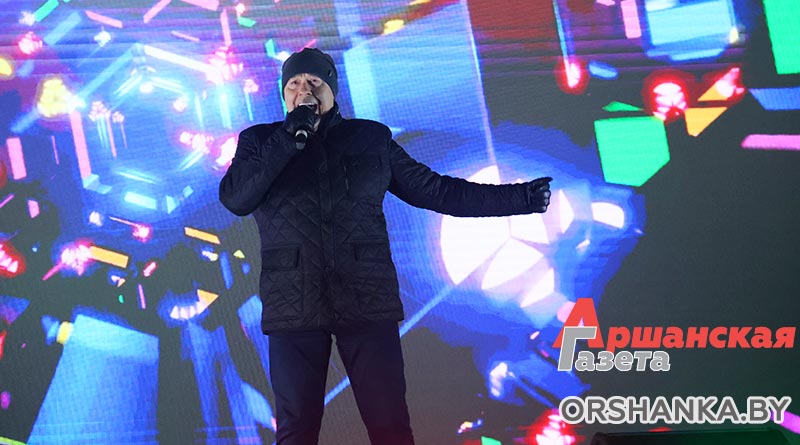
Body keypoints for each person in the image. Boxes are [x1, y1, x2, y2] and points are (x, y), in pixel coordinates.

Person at [218, 47, 552, 445]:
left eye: (314, 82)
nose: (303, 90)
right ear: (283, 93)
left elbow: (438, 191)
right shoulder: (259, 141)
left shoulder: (370, 138)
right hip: (294, 306)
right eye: (293, 84)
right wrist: (289, 136)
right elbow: (236, 198)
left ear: (332, 89)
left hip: (366, 301)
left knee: (390, 427)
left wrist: (520, 199)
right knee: (296, 432)